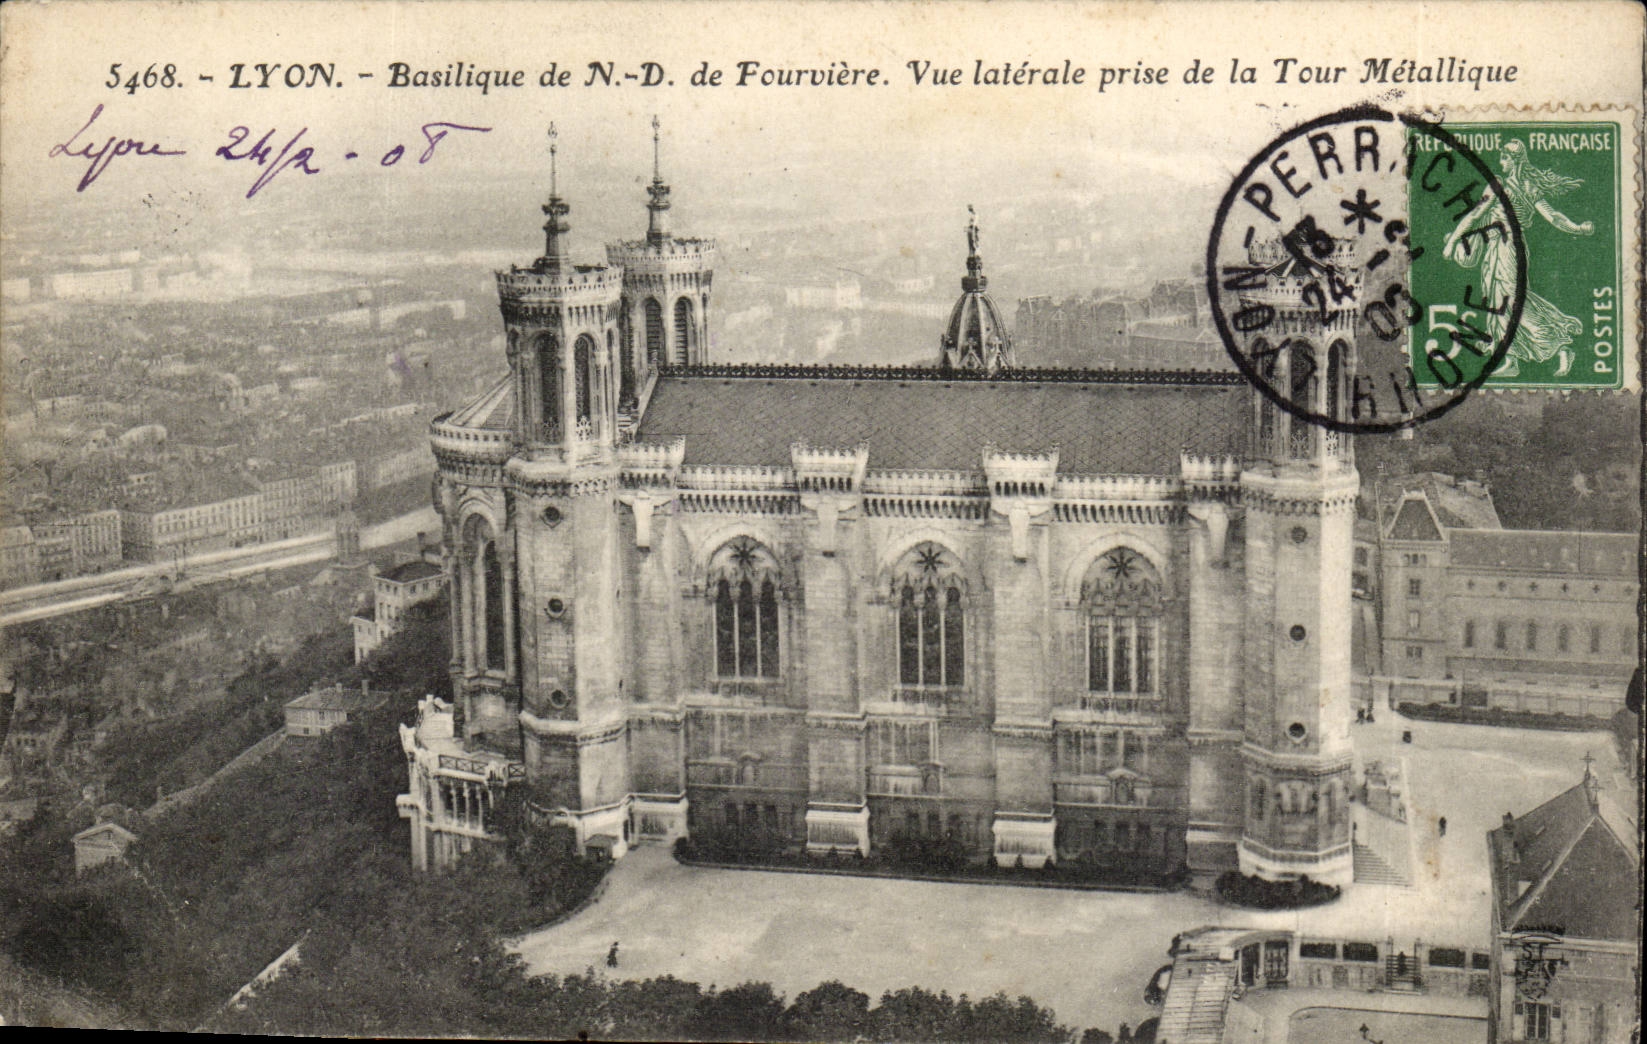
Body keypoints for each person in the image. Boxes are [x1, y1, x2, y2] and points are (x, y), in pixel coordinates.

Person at [1443, 139, 1594, 378]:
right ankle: (1510, 360)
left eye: (1503, 158)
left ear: (1514, 160)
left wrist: (1452, 241)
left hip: (1507, 248)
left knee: (1512, 301)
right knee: (1498, 300)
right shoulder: (1530, 186)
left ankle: (1560, 346)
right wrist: (1576, 228)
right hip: (1500, 247)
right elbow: (1553, 216)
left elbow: (1474, 216)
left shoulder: (1499, 185)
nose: (1500, 162)